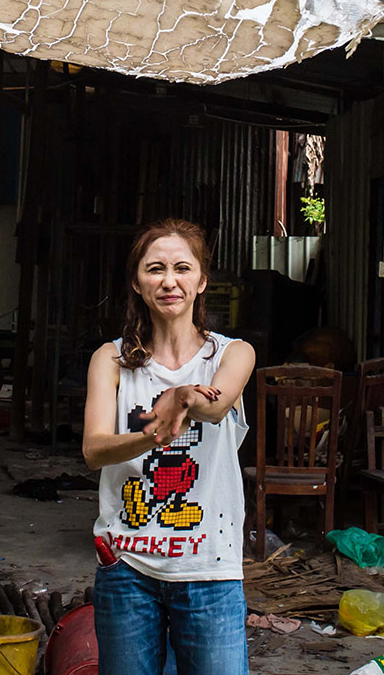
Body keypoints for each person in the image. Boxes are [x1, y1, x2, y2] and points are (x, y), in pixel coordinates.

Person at [82, 219, 257, 675]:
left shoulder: (232, 354)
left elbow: (216, 408)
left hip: (210, 572)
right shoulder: (111, 360)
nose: (169, 280)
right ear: (137, 283)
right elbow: (94, 450)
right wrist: (152, 434)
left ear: (201, 282)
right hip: (127, 568)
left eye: (182, 268)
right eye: (154, 268)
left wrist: (182, 396)